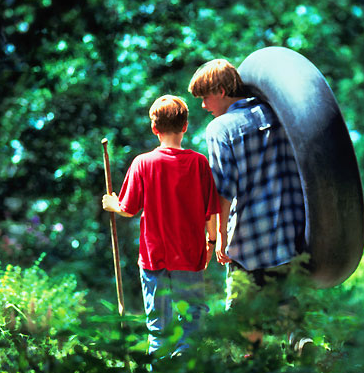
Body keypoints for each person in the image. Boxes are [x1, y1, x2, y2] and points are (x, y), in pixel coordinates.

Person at [188, 59, 311, 353]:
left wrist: (219, 238)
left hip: (249, 233)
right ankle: (299, 339)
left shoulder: (220, 129)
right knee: (279, 293)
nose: (204, 106)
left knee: (242, 308)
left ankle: (249, 367)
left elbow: (224, 189)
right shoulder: (277, 113)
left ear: (220, 90)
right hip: (288, 226)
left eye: (206, 97)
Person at [102, 95, 221, 356]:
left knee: (158, 327)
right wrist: (212, 243)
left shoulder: (142, 163)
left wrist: (112, 204)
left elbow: (128, 208)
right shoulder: (199, 163)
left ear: (154, 128)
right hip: (189, 257)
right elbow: (211, 212)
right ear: (185, 126)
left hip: (155, 258)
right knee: (192, 320)